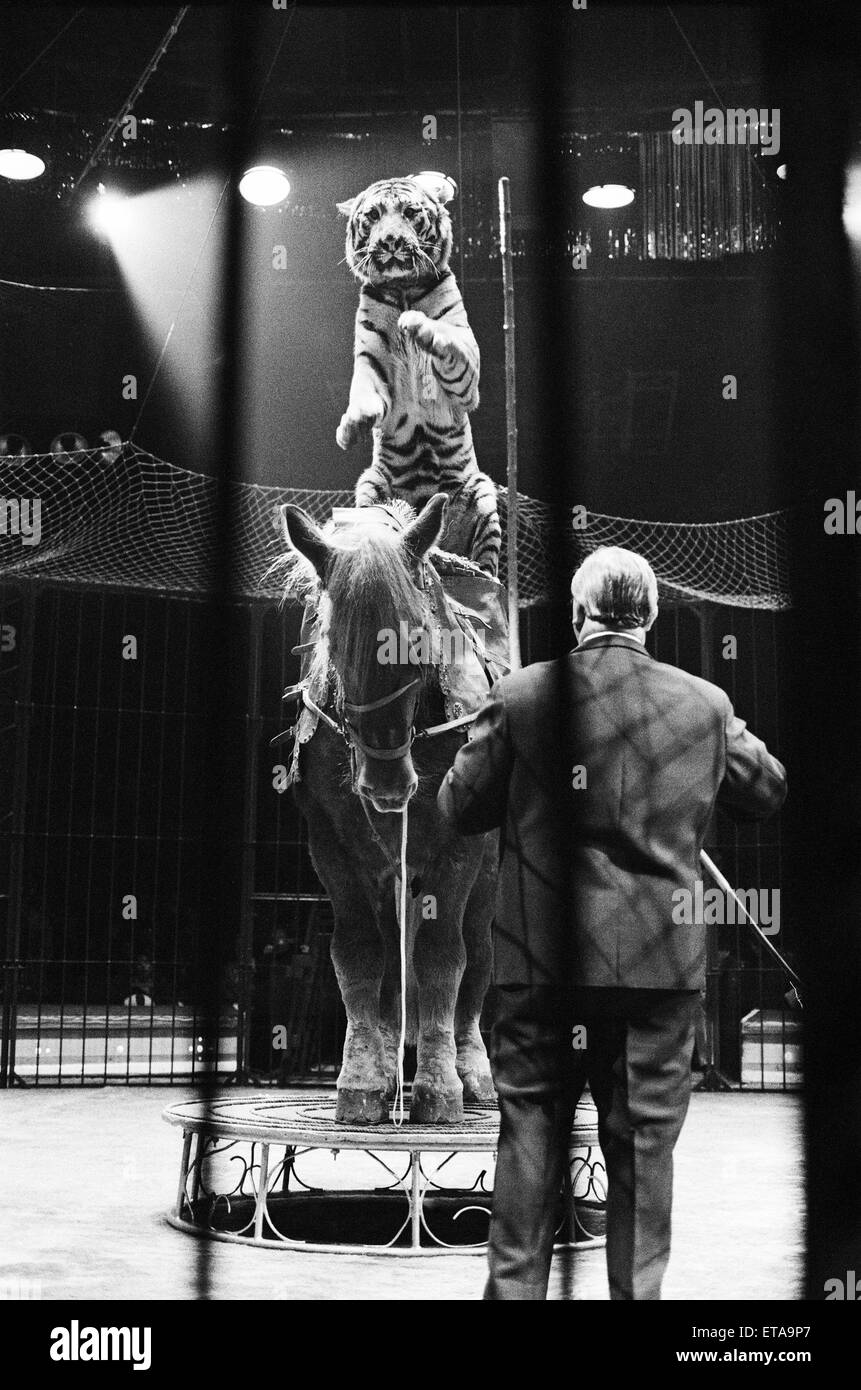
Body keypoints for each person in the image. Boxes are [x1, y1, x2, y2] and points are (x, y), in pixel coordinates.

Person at [437, 546, 787, 1300]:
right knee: (642, 1154)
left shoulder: (524, 694)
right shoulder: (704, 703)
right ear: (652, 618)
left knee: (530, 1140)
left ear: (575, 613)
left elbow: (458, 809)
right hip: (658, 972)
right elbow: (767, 791)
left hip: (540, 963)